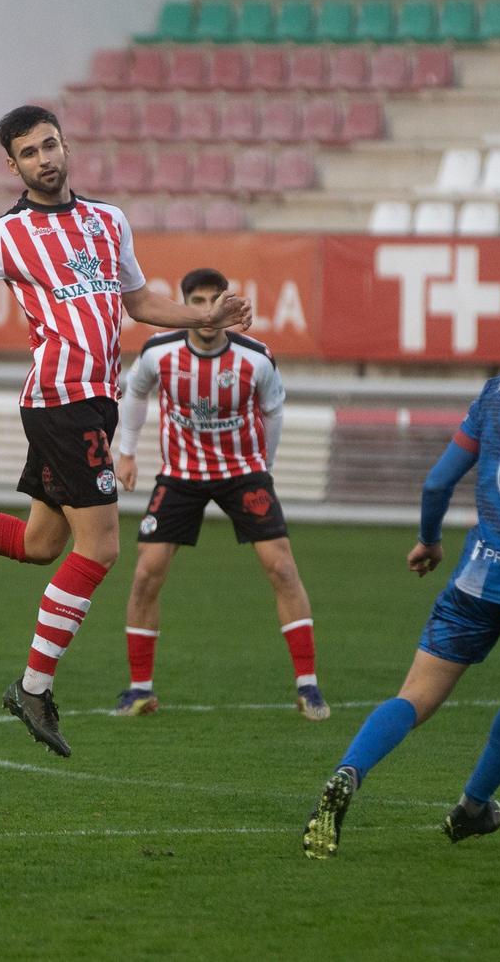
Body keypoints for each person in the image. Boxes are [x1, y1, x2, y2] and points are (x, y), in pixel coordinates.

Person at [0, 104, 252, 759]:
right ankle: (32, 686)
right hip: (63, 398)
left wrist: (207, 317)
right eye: (29, 153)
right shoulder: (5, 235)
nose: (45, 159)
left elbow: (139, 304)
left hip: (92, 402)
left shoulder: (107, 220)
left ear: (65, 145)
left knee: (40, 543)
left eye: (50, 145)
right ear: (13, 165)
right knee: (103, 548)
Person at [301, 265, 500, 859]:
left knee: (415, 695)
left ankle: (349, 771)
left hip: (476, 579)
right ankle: (473, 807)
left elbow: (437, 481)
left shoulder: (497, 391)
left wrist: (429, 539)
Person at [110, 267, 328, 723]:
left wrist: (262, 468)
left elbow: (273, 411)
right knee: (147, 572)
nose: (208, 312)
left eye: (216, 300)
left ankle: (308, 685)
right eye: (199, 301)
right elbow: (135, 393)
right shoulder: (158, 352)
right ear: (185, 306)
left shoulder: (256, 358)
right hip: (180, 475)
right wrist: (125, 452)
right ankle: (139, 689)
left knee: (282, 566)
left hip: (242, 472)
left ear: (229, 306)